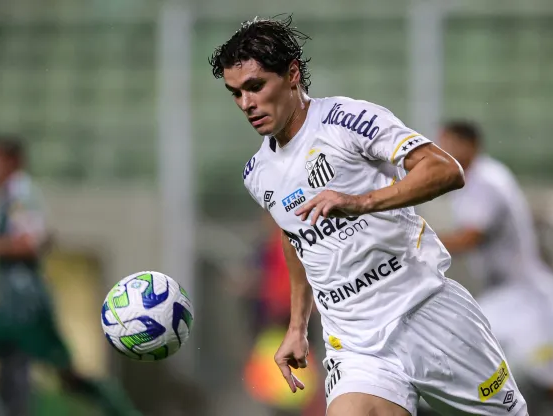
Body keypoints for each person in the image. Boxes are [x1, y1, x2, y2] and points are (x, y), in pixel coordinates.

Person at [209, 16, 528, 416]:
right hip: (354, 342)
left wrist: (360, 201)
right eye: (235, 93)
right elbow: (296, 241)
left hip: (425, 310)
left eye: (255, 87)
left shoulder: (345, 120)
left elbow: (445, 169)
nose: (246, 104)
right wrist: (296, 326)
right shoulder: (257, 174)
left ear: (292, 74)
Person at [0, 136, 139, 416]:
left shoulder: (20, 195)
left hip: (24, 307)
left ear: (13, 163)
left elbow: (31, 242)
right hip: (14, 304)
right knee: (51, 377)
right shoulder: (5, 198)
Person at [437, 121, 553, 408]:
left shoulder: (487, 181)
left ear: (468, 145)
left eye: (445, 143)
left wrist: (415, 241)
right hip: (506, 295)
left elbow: (470, 237)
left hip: (527, 298)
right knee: (468, 350)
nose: (439, 150)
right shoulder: (470, 182)